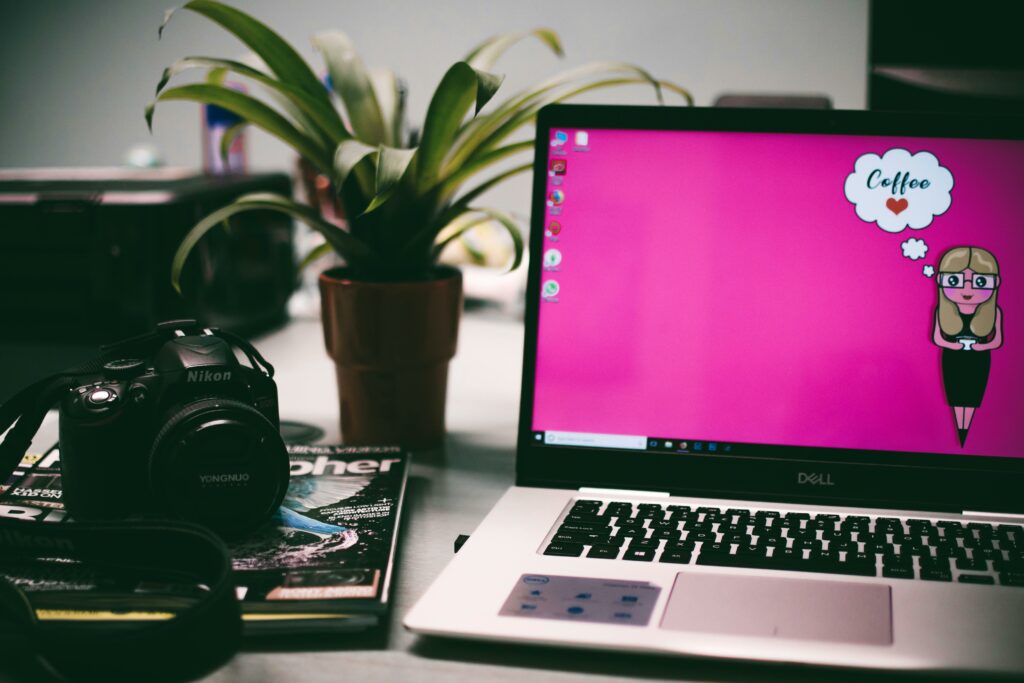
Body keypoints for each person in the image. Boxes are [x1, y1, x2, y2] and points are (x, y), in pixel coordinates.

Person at [931, 246, 1003, 447]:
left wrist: (980, 347)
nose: (968, 290)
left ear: (995, 282)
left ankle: (965, 429)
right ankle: (959, 426)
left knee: (972, 394)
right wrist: (954, 346)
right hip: (953, 357)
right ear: (940, 281)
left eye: (980, 282)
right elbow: (938, 338)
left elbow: (997, 340)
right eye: (955, 281)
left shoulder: (994, 312)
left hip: (979, 357)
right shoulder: (942, 311)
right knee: (956, 394)